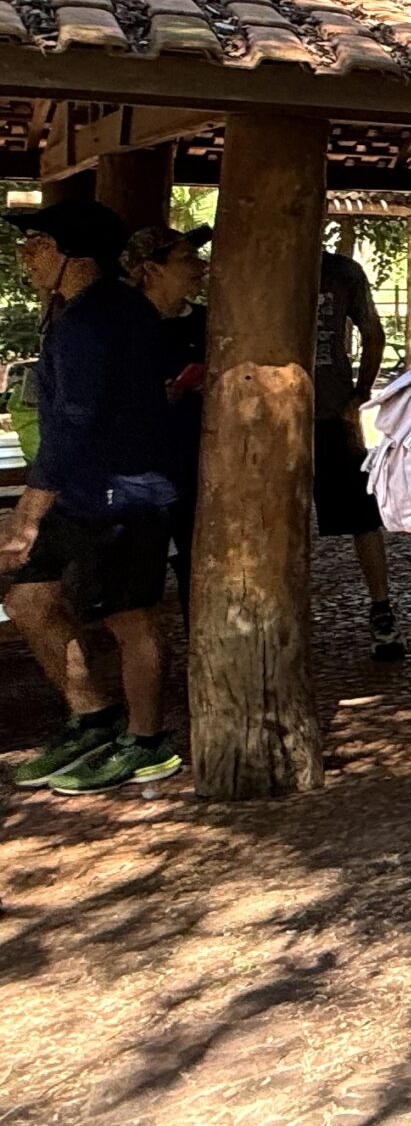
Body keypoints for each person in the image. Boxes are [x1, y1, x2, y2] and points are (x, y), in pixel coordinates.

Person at [2, 201, 187, 794]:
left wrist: (28, 513)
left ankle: (147, 742)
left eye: (37, 241)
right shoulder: (73, 311)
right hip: (82, 493)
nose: (25, 253)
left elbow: (76, 421)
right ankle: (93, 718)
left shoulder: (97, 319)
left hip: (124, 495)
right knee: (30, 601)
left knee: (132, 618)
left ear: (73, 253)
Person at [312, 239, 406, 663]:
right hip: (273, 420)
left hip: (333, 413)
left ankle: (381, 606)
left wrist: (361, 393)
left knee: (363, 516)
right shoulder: (254, 260)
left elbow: (372, 332)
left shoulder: (342, 271)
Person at [123, 223, 210, 610]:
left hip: (198, 466)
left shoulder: (210, 321)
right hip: (135, 470)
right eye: (187, 257)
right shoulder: (118, 323)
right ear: (152, 269)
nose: (200, 265)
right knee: (134, 583)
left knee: (199, 568)